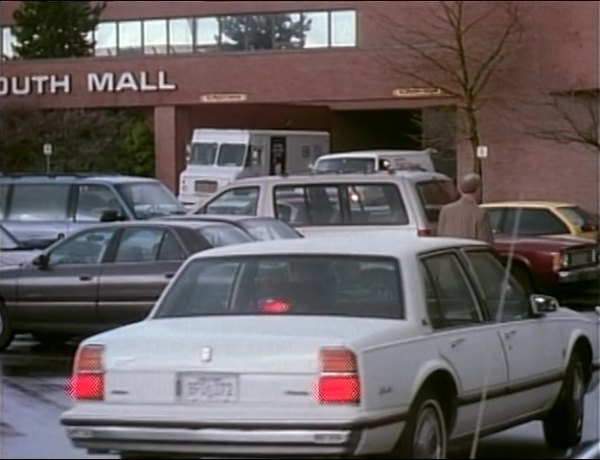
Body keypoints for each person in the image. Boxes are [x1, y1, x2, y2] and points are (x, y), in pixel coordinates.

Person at [437, 173, 494, 243]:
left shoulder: (445, 211)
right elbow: (485, 243)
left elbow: (440, 238)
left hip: (450, 252)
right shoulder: (480, 214)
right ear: (479, 189)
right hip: (469, 252)